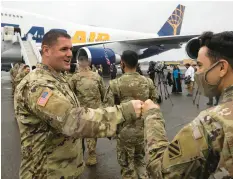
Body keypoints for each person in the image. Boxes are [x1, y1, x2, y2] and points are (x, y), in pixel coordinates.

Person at [14, 30, 143, 179]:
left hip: (63, 170)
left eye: (70, 49)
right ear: (46, 50)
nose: (70, 54)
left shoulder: (57, 79)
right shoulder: (38, 85)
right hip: (45, 173)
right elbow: (73, 121)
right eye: (64, 49)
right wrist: (124, 111)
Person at [142, 31, 233, 178]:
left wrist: (152, 115)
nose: (197, 71)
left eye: (200, 65)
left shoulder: (212, 122)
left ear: (222, 68)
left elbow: (161, 171)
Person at [104, 50, 158, 179]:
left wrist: (110, 131)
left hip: (124, 133)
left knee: (127, 167)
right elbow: (154, 104)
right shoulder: (148, 82)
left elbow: (108, 110)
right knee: (140, 161)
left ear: (122, 63)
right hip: (143, 131)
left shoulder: (115, 84)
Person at [69, 55, 106, 166]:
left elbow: (70, 94)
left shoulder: (74, 78)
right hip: (95, 110)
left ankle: (81, 155)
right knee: (91, 133)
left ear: (78, 64)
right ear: (89, 63)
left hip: (81, 110)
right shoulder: (97, 76)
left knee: (79, 133)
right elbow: (103, 92)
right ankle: (92, 155)